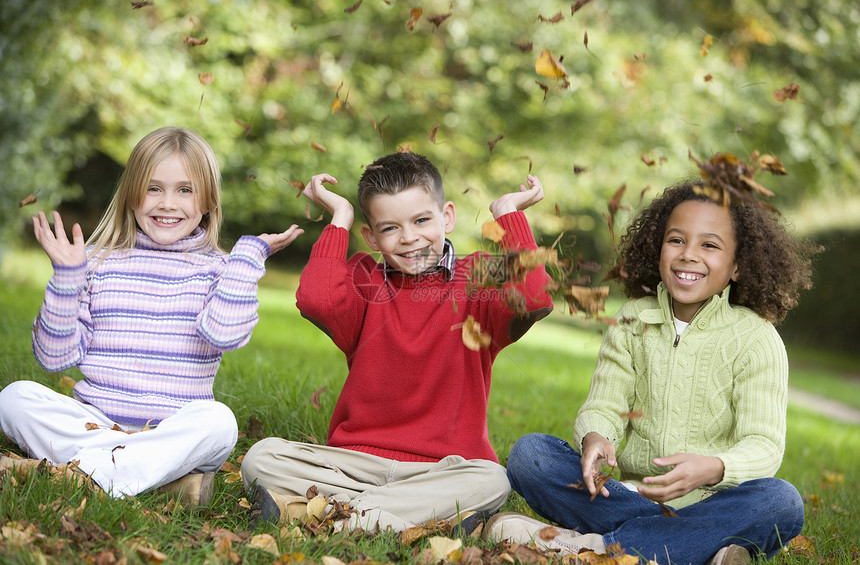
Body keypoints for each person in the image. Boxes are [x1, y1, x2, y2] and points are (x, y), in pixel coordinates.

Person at [484, 180, 815, 564]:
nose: (688, 255)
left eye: (709, 245)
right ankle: (696, 549)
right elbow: (604, 406)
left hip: (715, 502)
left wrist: (712, 469)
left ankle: (593, 547)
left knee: (782, 501)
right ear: (658, 248)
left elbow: (764, 445)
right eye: (676, 240)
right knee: (530, 456)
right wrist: (596, 438)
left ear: (738, 265)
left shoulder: (757, 338)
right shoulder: (631, 320)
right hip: (627, 497)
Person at [241, 151, 553, 532]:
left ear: (448, 217)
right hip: (353, 462)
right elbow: (315, 299)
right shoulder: (365, 279)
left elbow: (535, 298)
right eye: (390, 228)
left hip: (442, 469)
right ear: (371, 236)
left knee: (492, 480)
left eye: (422, 220)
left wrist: (508, 213)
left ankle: (332, 513)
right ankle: (397, 517)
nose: (409, 238)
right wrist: (341, 217)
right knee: (260, 458)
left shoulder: (481, 281)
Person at [0, 126, 303, 505]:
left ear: (208, 201)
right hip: (95, 423)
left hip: (171, 431)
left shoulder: (220, 270)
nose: (167, 203)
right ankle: (138, 475)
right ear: (131, 195)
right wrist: (67, 278)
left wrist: (248, 258)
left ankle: (82, 472)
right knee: (13, 398)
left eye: (185, 190)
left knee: (219, 423)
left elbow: (223, 334)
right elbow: (54, 358)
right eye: (154, 188)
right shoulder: (96, 261)